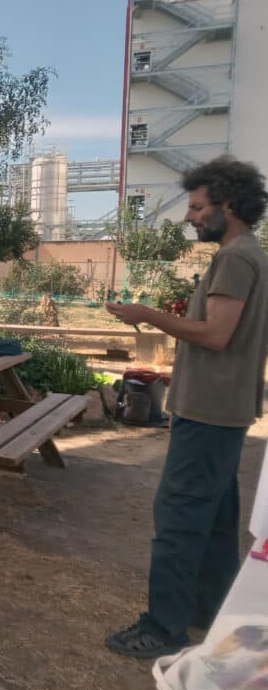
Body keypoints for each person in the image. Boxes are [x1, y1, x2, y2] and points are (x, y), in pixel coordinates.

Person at [105, 156, 268, 660]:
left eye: (197, 207)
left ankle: (163, 627)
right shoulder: (251, 253)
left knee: (178, 517)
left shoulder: (235, 258)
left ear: (229, 204)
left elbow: (216, 335)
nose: (189, 216)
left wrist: (147, 314)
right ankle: (207, 610)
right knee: (215, 519)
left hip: (209, 411)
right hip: (226, 409)